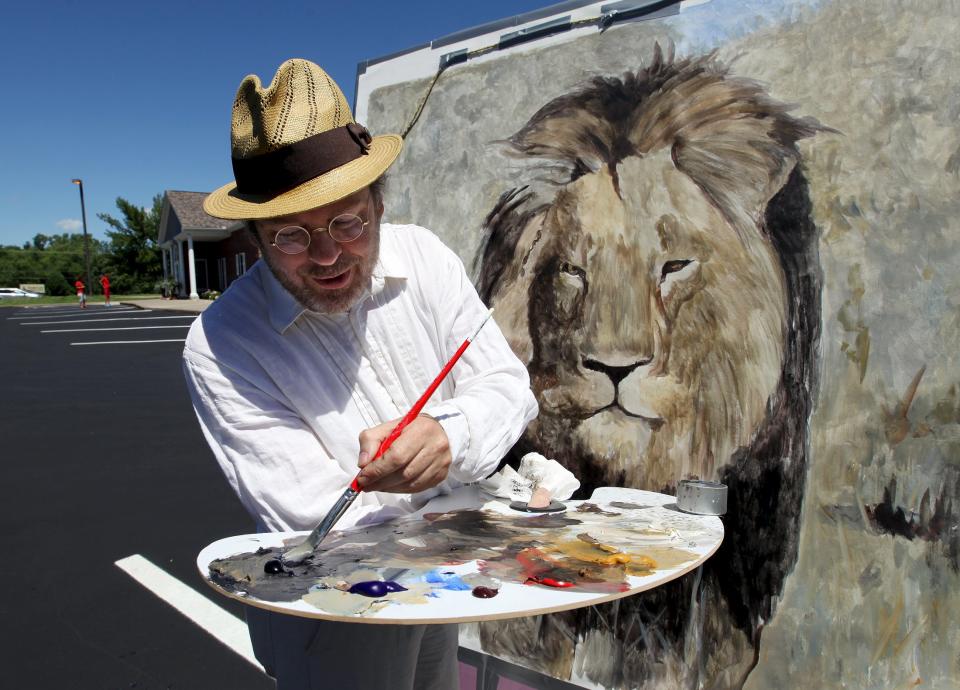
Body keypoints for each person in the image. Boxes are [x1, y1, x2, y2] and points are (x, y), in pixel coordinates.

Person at [182, 58, 538, 690]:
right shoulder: (220, 343)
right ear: (254, 238)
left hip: (438, 586)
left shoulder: (424, 256)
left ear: (381, 200)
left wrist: (449, 434)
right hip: (337, 616)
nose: (326, 256)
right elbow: (322, 519)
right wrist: (442, 478)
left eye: (349, 222)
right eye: (290, 235)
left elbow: (508, 386)